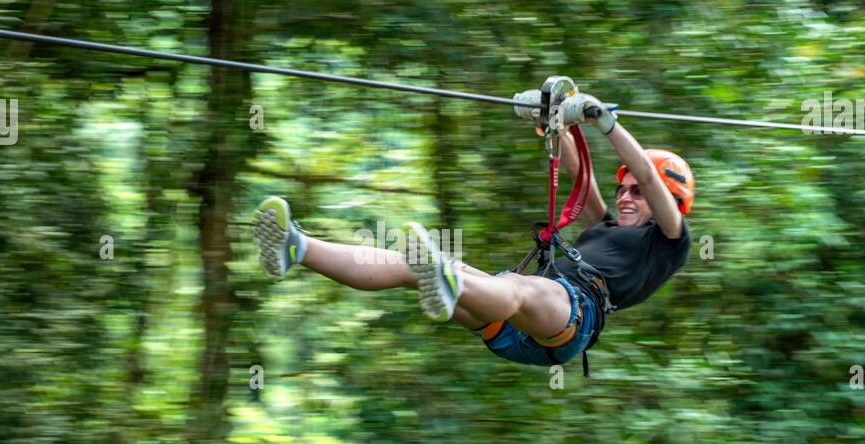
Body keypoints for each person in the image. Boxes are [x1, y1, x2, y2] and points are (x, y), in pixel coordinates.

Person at [253, 92, 693, 368]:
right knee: (416, 265)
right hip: (516, 320)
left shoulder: (670, 241)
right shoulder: (608, 228)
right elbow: (583, 181)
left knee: (518, 287)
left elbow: (651, 179)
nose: (626, 196)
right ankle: (296, 247)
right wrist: (558, 116)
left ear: (667, 205)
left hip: (567, 316)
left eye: (637, 192)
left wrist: (606, 123)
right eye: (624, 190)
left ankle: (450, 285)